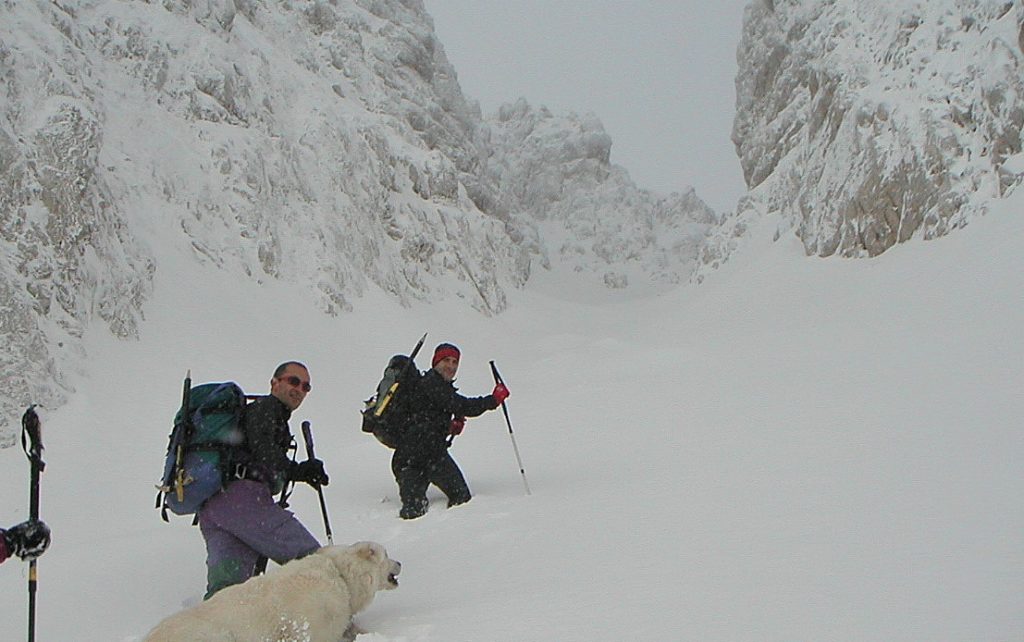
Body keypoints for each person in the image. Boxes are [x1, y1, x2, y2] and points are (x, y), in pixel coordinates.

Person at [197, 361, 330, 598]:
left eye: (306, 386)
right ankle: (336, 626)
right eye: (293, 381)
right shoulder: (267, 408)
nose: (299, 389)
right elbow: (264, 451)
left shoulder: (255, 413)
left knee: (227, 595)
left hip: (214, 507)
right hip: (243, 502)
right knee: (315, 563)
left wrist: (297, 472)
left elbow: (259, 453)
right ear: (274, 383)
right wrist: (301, 470)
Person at [391, 343, 510, 520]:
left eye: (455, 362)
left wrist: (448, 427)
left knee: (415, 509)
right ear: (435, 362)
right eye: (446, 360)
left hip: (412, 458)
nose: (451, 366)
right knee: (457, 499)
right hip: (423, 457)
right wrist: (493, 400)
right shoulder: (433, 384)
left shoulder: (430, 385)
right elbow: (462, 405)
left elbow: (423, 419)